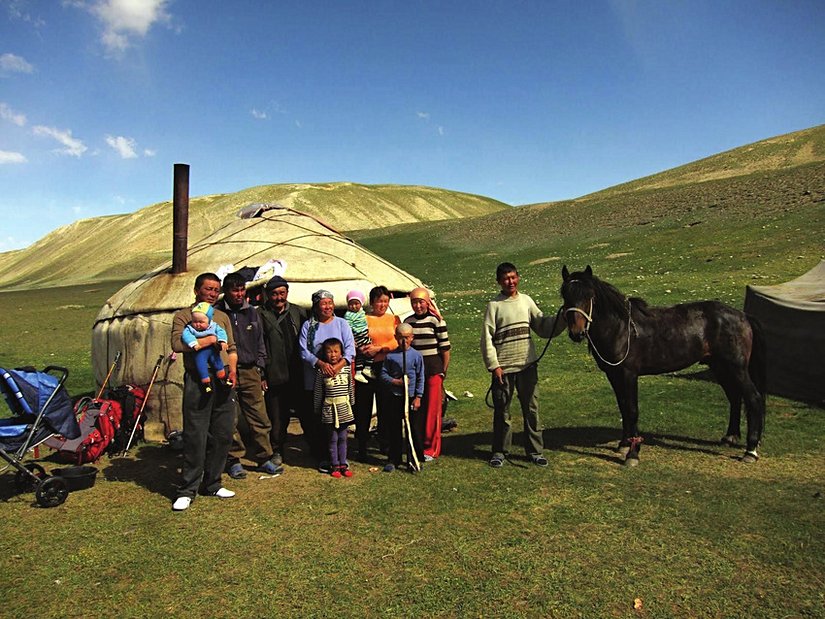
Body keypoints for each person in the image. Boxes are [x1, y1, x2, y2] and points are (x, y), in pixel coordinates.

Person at [481, 262, 565, 468]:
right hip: (504, 369)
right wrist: (494, 366)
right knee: (503, 413)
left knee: (532, 410)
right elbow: (486, 339)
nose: (510, 281)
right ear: (499, 282)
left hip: (528, 366)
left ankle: (535, 452)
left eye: (513, 277)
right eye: (506, 278)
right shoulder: (494, 306)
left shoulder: (526, 301)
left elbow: (543, 326)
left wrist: (563, 318)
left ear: (518, 277)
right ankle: (500, 451)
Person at [170, 273, 238, 512]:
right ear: (196, 290)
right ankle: (187, 490)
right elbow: (177, 344)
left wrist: (233, 370)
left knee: (223, 433)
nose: (212, 293)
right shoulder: (183, 316)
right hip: (198, 380)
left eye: (215, 289)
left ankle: (213, 482)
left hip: (222, 380)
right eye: (208, 288)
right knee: (195, 436)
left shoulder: (222, 316)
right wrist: (207, 340)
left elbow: (231, 348)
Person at [215, 272, 280, 478]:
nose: (239, 294)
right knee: (230, 417)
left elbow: (260, 341)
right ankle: (234, 459)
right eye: (235, 290)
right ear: (225, 291)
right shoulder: (215, 314)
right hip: (225, 372)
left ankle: (264, 457)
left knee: (259, 415)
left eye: (242, 290)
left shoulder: (252, 312)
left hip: (250, 370)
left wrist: (260, 367)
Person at [299, 290, 356, 468]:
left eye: (330, 303)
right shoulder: (309, 326)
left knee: (338, 421)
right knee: (319, 419)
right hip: (316, 379)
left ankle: (340, 458)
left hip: (338, 381)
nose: (328, 307)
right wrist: (321, 364)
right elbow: (303, 351)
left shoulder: (342, 324)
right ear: (316, 307)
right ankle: (324, 456)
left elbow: (350, 350)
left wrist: (337, 368)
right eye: (323, 303)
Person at [258, 275, 308, 467]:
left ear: (287, 292)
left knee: (307, 414)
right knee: (277, 418)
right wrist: (262, 374)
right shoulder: (260, 314)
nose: (279, 297)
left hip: (298, 373)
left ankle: (316, 447)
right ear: (268, 295)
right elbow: (258, 346)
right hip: (274, 374)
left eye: (282, 293)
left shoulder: (298, 312)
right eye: (274, 294)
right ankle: (277, 451)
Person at [353, 285, 400, 461]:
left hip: (386, 367)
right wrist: (363, 349)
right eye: (379, 301)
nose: (383, 305)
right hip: (365, 367)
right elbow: (355, 338)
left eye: (386, 301)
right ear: (372, 302)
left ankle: (384, 443)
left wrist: (379, 348)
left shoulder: (393, 319)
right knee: (363, 407)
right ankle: (362, 445)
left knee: (385, 406)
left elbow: (399, 341)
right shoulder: (362, 318)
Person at [404, 287, 451, 462]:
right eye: (414, 302)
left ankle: (431, 448)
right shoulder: (408, 322)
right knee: (418, 409)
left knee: (432, 410)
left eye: (420, 301)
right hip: (415, 372)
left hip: (433, 370)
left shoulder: (436, 321)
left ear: (427, 302)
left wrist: (443, 371)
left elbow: (445, 348)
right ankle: (418, 443)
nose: (417, 305)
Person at [380, 323, 424, 472]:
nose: (403, 341)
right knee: (394, 428)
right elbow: (383, 374)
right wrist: (395, 381)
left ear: (412, 338)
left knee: (413, 429)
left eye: (406, 338)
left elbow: (420, 377)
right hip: (395, 396)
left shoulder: (416, 356)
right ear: (395, 338)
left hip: (411, 397)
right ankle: (394, 458)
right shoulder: (391, 356)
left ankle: (415, 458)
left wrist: (418, 396)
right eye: (400, 338)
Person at [313, 338, 355, 478]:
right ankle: (334, 465)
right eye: (329, 352)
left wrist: (352, 403)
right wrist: (317, 408)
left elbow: (350, 387)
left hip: (344, 407)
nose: (333, 354)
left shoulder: (346, 369)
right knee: (332, 438)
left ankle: (343, 464)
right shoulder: (321, 372)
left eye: (336, 351)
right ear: (324, 354)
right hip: (329, 409)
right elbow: (318, 391)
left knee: (343, 437)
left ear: (341, 352)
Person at [180, 301, 230, 393]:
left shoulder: (213, 326)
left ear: (209, 320)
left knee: (217, 361)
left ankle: (223, 379)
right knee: (201, 365)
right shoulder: (191, 328)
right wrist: (193, 343)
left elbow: (221, 332)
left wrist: (222, 341)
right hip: (200, 352)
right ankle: (206, 384)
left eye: (201, 322)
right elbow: (186, 335)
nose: (197, 324)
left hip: (213, 350)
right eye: (195, 321)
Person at [344, 289, 374, 383]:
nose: (353, 306)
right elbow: (348, 328)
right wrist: (352, 339)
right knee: (368, 350)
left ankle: (360, 371)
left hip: (364, 334)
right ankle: (364, 369)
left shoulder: (362, 312)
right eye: (351, 304)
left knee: (364, 354)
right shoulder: (348, 315)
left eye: (356, 303)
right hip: (357, 335)